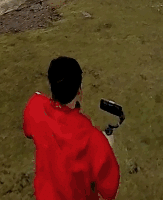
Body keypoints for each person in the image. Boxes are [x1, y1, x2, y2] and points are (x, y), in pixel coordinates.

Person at [23, 56, 120, 200]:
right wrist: (106, 145)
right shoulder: (94, 140)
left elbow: (28, 131)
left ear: (51, 85)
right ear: (79, 90)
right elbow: (109, 190)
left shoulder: (35, 107)